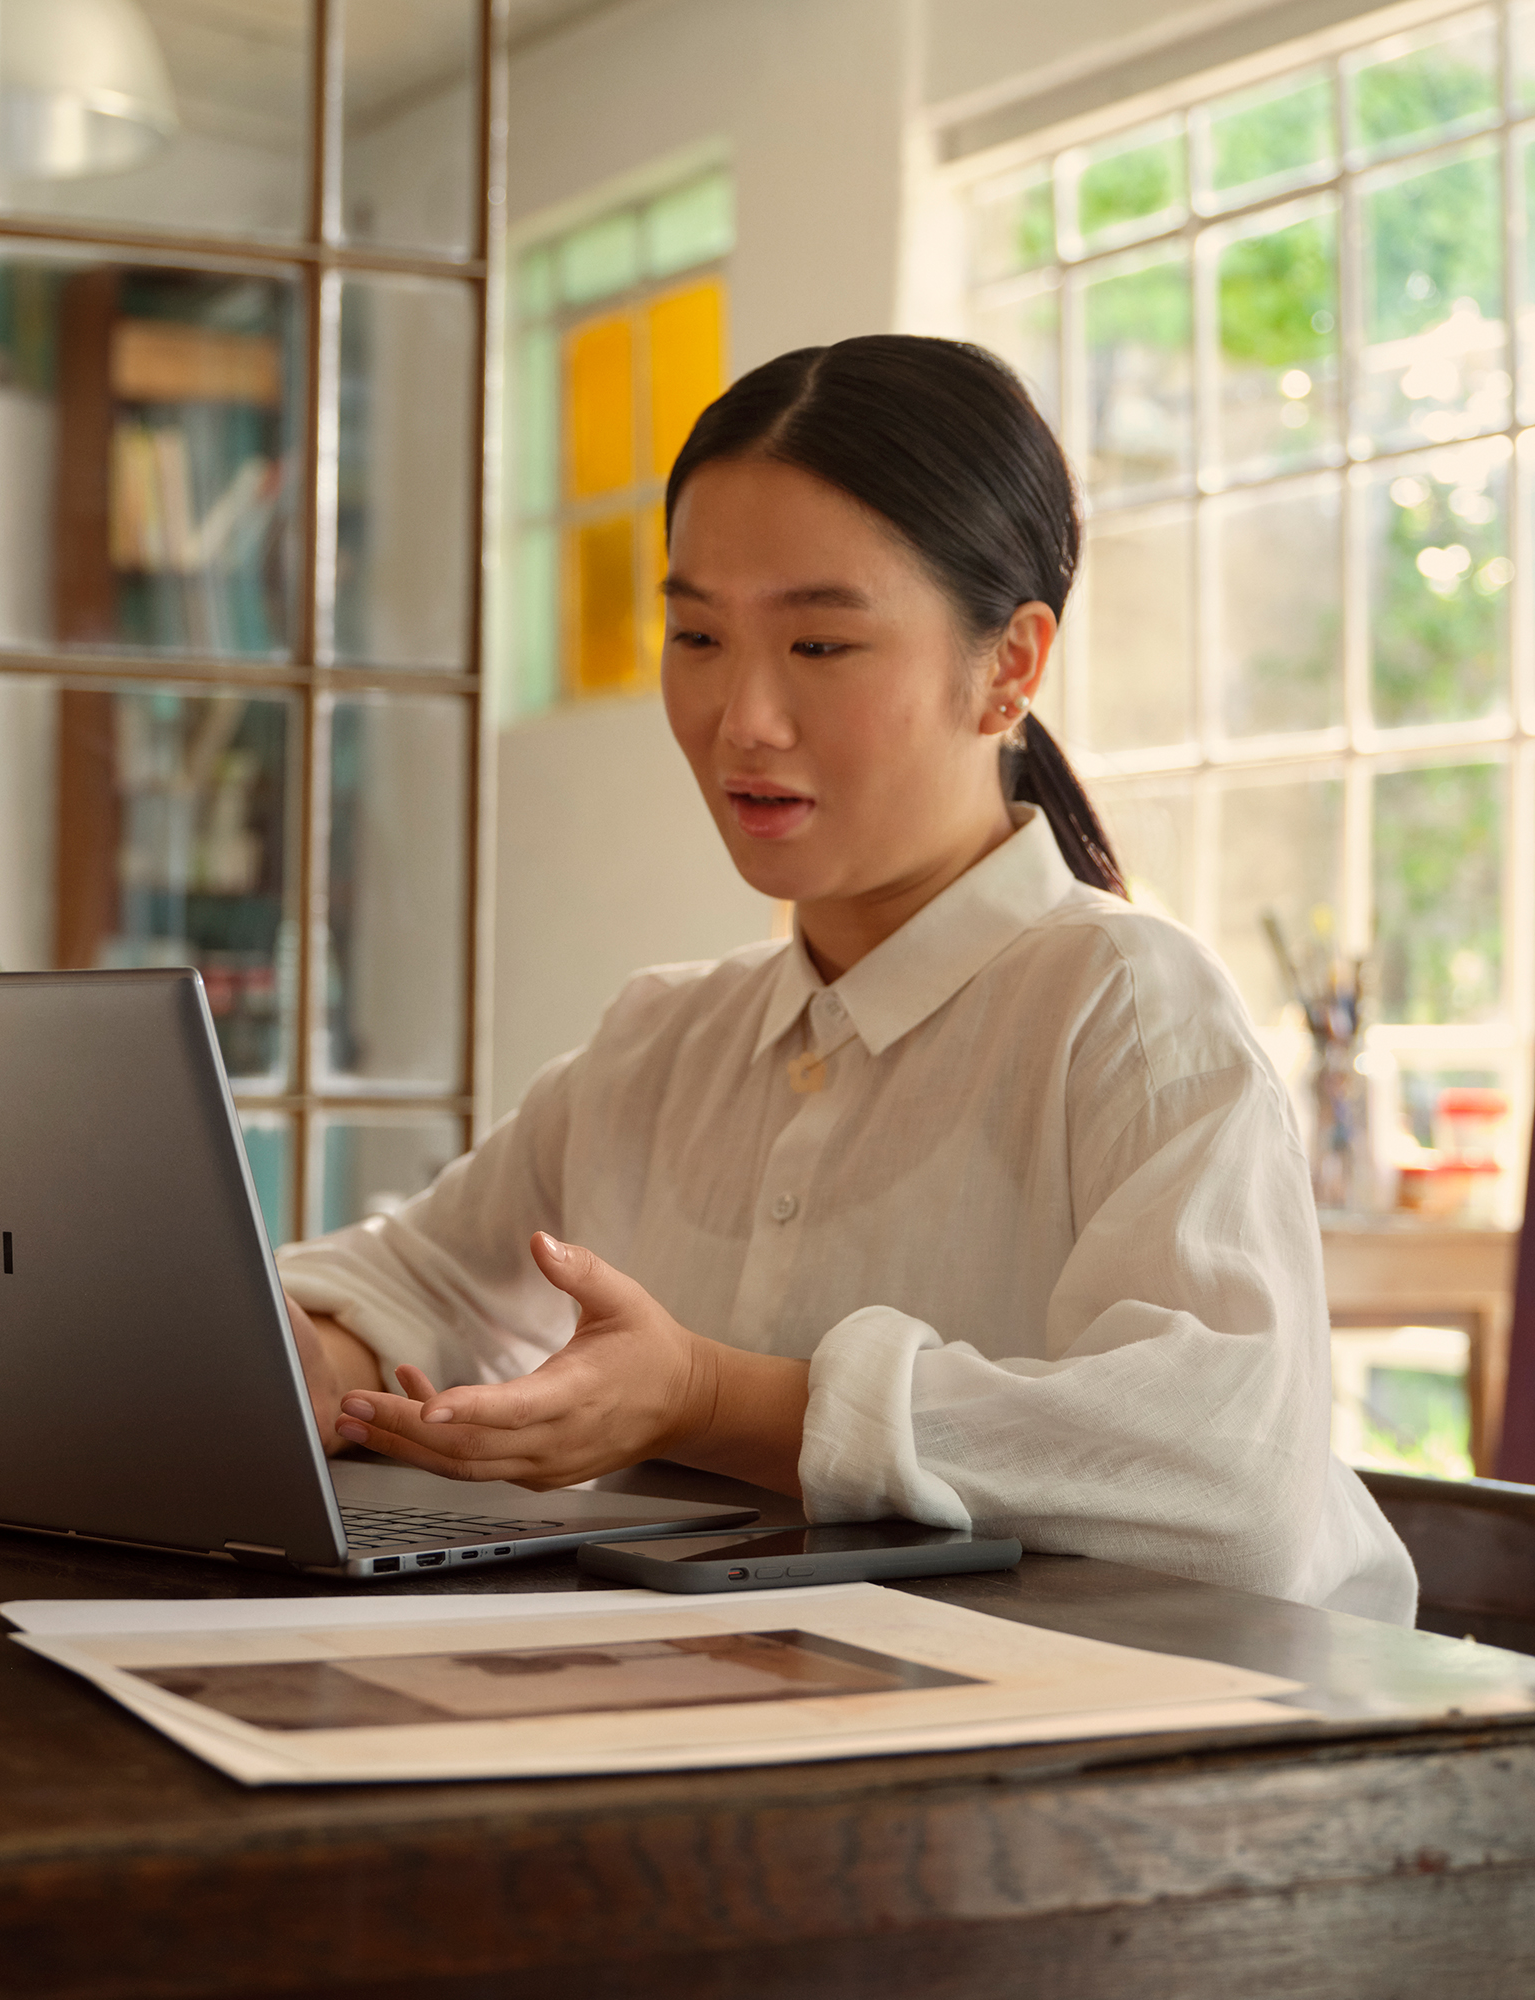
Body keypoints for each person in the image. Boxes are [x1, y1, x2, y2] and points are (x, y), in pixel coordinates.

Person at [278, 334, 1415, 1623]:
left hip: (1126, 1767)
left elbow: (1230, 1473)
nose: (741, 718)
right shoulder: (662, 1040)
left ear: (1010, 668)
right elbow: (411, 1288)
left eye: (819, 647)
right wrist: (311, 1355)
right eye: (697, 634)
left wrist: (714, 1397)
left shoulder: (1127, 1009)